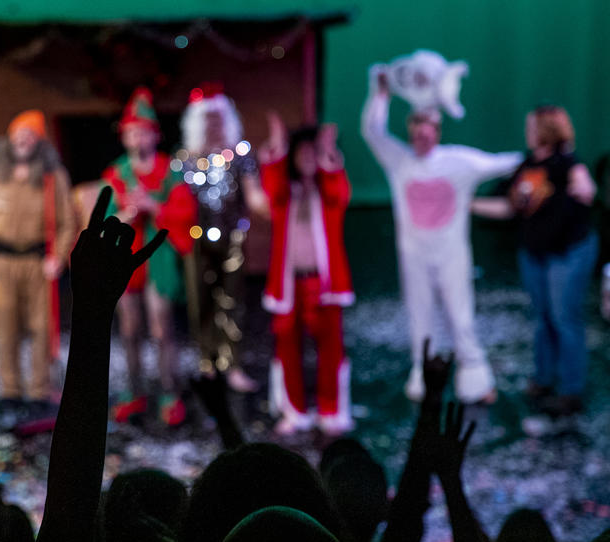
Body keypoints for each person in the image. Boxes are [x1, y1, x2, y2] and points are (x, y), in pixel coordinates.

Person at [362, 69, 522, 404]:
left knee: (460, 314)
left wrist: (545, 159)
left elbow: (503, 163)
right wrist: (380, 97)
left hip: (451, 255)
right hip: (415, 255)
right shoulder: (399, 161)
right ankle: (425, 374)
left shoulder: (458, 161)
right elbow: (372, 132)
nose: (421, 136)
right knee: (420, 315)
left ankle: (475, 379)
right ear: (410, 133)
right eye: (416, 130)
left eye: (428, 129)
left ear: (437, 131)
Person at [472, 106, 597, 417]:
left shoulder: (566, 163)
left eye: (533, 125)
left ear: (546, 129)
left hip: (567, 252)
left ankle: (571, 389)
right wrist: (465, 203)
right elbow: (509, 206)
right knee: (543, 318)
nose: (528, 130)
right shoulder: (526, 164)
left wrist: (585, 188)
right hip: (535, 252)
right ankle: (544, 378)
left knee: (564, 318)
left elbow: (585, 187)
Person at [0, 109, 76, 413]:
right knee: (5, 326)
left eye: (30, 135)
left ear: (39, 140)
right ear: (10, 139)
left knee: (41, 328)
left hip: (38, 262)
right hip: (2, 263)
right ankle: (9, 390)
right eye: (19, 134)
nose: (23, 140)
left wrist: (59, 257)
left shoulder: (53, 177)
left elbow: (67, 223)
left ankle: (40, 391)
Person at [102, 87, 196, 426]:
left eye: (142, 132)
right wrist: (127, 212)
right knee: (129, 329)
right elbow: (105, 217)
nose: (137, 138)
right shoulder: (116, 173)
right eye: (131, 133)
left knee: (161, 327)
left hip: (157, 257)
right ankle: (134, 391)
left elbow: (185, 212)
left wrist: (153, 206)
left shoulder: (169, 171)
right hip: (126, 260)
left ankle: (170, 391)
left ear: (154, 135)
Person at [259, 116, 354, 435]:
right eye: (302, 154)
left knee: (331, 349)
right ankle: (294, 411)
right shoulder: (285, 195)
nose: (309, 159)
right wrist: (278, 144)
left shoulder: (329, 195)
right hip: (289, 285)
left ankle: (332, 411)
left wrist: (329, 155)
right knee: (286, 347)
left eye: (314, 154)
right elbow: (272, 183)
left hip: (324, 285)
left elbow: (338, 192)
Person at [179, 86, 269, 392]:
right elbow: (175, 203)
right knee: (200, 301)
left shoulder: (241, 154)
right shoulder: (185, 160)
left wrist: (274, 207)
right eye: (208, 119)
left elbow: (254, 193)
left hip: (233, 238)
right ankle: (207, 362)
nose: (214, 125)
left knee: (232, 300)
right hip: (196, 239)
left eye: (218, 118)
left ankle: (232, 364)